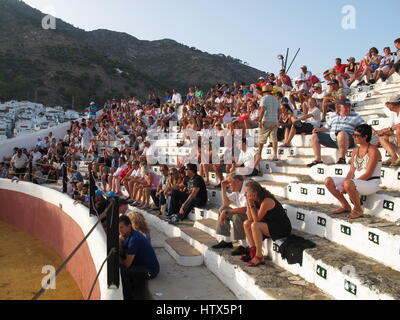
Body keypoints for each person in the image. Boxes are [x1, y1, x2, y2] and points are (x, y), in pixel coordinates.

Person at [324, 124, 382, 219]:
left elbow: (368, 174)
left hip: (371, 183)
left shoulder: (373, 151)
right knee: (328, 181)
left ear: (365, 137)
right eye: (353, 135)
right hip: (357, 182)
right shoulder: (355, 150)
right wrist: (344, 184)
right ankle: (345, 205)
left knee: (348, 183)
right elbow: (351, 171)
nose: (354, 137)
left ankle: (358, 210)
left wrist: (348, 184)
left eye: (356, 135)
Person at [242, 181, 292, 266]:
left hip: (281, 228)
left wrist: (250, 203)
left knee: (255, 225)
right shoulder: (255, 200)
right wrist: (248, 203)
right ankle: (253, 251)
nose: (244, 194)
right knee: (246, 223)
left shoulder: (267, 201)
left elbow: (256, 220)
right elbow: (250, 218)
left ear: (254, 192)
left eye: (246, 192)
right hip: (270, 225)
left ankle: (259, 256)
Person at [307, 99, 365, 167]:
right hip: (333, 139)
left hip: (348, 140)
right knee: (314, 135)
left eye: (349, 107)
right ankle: (318, 160)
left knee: (342, 133)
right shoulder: (333, 116)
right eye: (345, 107)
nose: (348, 109)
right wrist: (318, 130)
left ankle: (342, 159)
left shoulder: (355, 116)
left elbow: (365, 127)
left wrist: (374, 132)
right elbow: (326, 128)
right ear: (339, 107)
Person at [119, 215, 159, 300]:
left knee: (123, 270)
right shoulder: (129, 235)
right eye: (118, 228)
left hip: (150, 270)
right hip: (142, 266)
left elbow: (127, 264)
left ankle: (128, 297)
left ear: (129, 226)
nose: (119, 230)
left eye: (121, 227)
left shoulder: (134, 239)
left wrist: (118, 260)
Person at [212, 174, 249, 256]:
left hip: (253, 214)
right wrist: (223, 187)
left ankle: (244, 245)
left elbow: (246, 209)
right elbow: (225, 203)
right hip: (244, 212)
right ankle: (227, 241)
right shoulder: (237, 189)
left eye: (229, 182)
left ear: (238, 181)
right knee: (222, 209)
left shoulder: (247, 187)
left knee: (236, 216)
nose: (228, 185)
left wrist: (227, 212)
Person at [376, 95, 400, 166]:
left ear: (392, 104)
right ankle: (394, 157)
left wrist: (388, 129)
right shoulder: (393, 113)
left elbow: (397, 126)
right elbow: (391, 129)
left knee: (398, 129)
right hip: (397, 136)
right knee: (382, 137)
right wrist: (382, 132)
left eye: (388, 103)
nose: (387, 105)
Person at [258, 85, 279, 161]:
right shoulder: (276, 99)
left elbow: (262, 110)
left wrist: (259, 120)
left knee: (261, 138)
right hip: (275, 120)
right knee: (274, 138)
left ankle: (259, 155)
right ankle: (275, 155)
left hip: (266, 120)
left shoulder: (264, 98)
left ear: (264, 92)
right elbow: (278, 111)